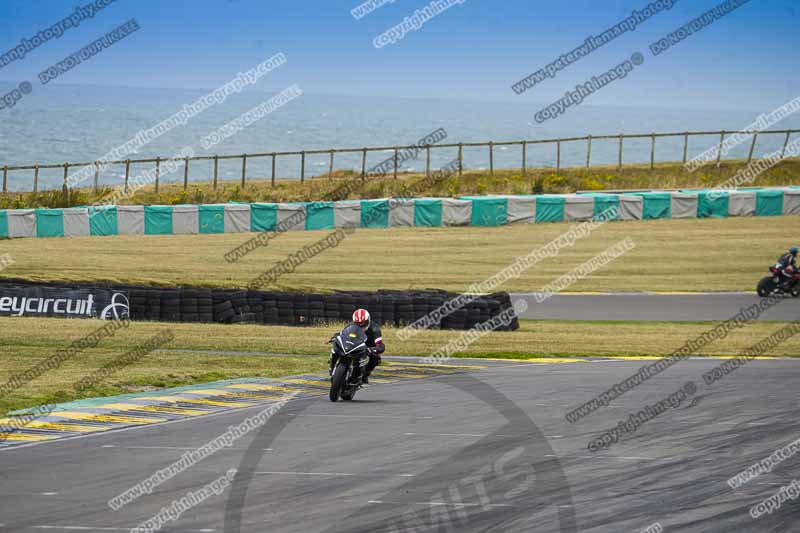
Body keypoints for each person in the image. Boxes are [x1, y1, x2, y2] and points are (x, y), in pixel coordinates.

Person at [352, 308, 384, 384]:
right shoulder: (350, 327)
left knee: (376, 358)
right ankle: (333, 368)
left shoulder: (375, 329)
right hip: (353, 346)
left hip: (368, 347)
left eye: (363, 324)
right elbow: (342, 335)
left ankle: (365, 374)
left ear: (368, 320)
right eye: (357, 324)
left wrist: (374, 349)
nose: (361, 326)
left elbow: (380, 345)